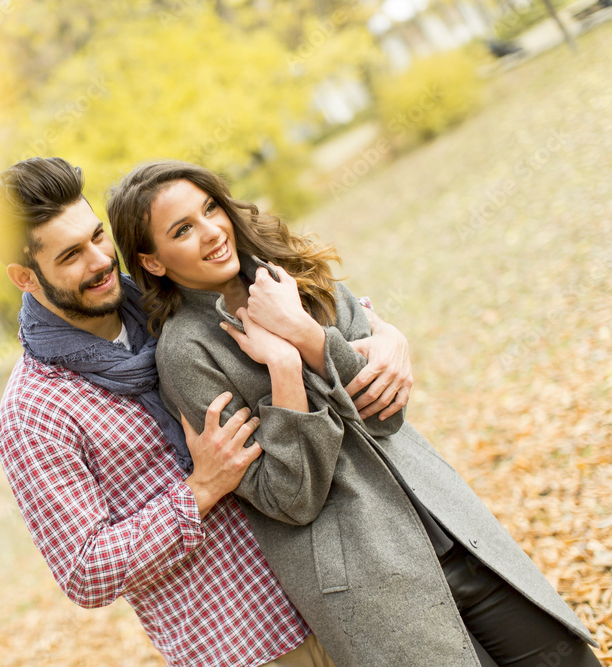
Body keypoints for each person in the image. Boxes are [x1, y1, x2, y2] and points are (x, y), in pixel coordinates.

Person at [106, 159, 602, 667]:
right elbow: (290, 495)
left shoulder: (286, 275)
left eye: (210, 208)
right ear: (153, 262)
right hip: (372, 581)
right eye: (182, 230)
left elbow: (386, 414)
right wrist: (282, 370)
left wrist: (303, 334)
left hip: (455, 529)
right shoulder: (186, 355)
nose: (211, 232)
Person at [0, 157, 413, 667]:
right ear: (25, 277)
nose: (99, 261)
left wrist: (382, 330)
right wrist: (201, 488)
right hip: (243, 644)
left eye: (97, 237)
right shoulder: (34, 412)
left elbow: (270, 298)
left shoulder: (163, 302)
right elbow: (84, 569)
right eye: (71, 255)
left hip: (340, 593)